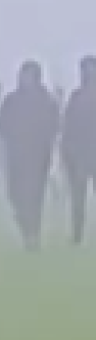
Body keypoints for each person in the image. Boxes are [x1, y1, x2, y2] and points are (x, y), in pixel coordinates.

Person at [0, 61, 61, 251]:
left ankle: (33, 233)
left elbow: (55, 124)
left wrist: (45, 140)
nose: (27, 79)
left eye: (30, 75)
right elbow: (1, 123)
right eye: (24, 75)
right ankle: (25, 225)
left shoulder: (46, 101)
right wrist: (11, 135)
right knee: (15, 193)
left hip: (38, 154)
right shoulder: (11, 100)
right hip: (16, 153)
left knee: (35, 195)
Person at [61, 57, 96, 247]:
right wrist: (66, 151)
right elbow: (68, 127)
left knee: (78, 197)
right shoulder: (76, 98)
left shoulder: (78, 98)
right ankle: (77, 234)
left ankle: (77, 234)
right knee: (78, 198)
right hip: (80, 154)